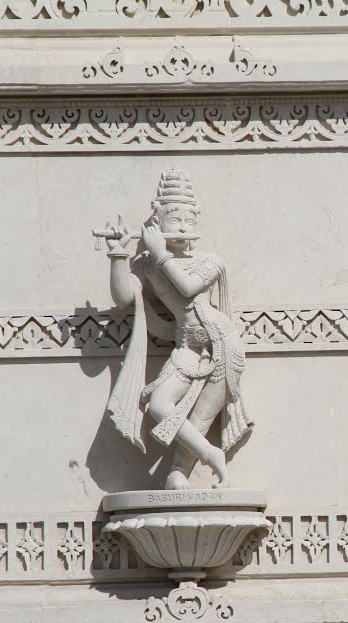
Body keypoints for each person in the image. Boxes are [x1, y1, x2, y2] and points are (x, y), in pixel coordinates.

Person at [98, 169, 252, 490]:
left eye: (188, 219)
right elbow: (125, 295)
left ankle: (179, 473)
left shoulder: (209, 261)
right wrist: (118, 254)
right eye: (174, 219)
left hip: (222, 345)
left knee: (202, 417)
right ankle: (212, 455)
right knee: (158, 406)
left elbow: (187, 288)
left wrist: (160, 252)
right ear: (158, 220)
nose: (182, 226)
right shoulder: (148, 264)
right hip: (185, 348)